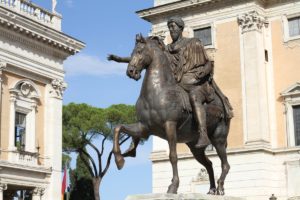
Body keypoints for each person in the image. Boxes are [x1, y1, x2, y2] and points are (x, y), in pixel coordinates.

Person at [108, 17, 233, 148]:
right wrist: (121, 59)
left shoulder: (193, 42)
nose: (171, 29)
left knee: (195, 97)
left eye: (174, 27)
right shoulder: (166, 50)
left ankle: (203, 134)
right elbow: (143, 56)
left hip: (195, 81)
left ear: (181, 28)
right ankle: (134, 144)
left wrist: (202, 72)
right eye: (170, 27)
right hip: (177, 82)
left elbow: (207, 63)